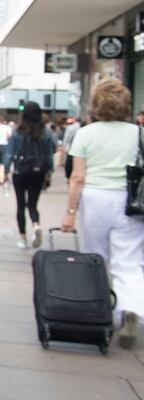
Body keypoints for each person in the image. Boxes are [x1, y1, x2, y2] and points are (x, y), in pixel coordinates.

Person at [64, 79, 142, 350]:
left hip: (96, 197)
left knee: (94, 256)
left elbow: (77, 177)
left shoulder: (86, 133)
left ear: (96, 104)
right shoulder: (139, 133)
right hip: (129, 200)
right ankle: (131, 309)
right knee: (129, 260)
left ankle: (98, 311)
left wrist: (70, 213)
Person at [4, 102, 54, 249]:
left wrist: (6, 170)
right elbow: (49, 156)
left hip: (20, 171)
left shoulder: (17, 131)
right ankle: (36, 224)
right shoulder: (45, 132)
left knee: (20, 205)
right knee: (32, 204)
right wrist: (48, 172)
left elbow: (9, 153)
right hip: (37, 172)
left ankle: (22, 238)